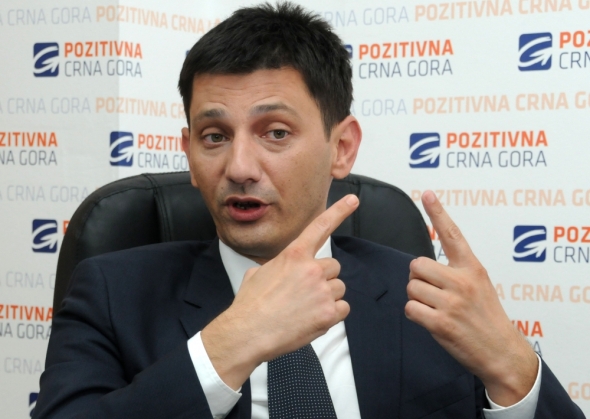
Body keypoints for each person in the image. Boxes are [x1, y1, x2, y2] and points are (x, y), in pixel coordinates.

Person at [34, 3, 584, 418]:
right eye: (214, 136)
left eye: (275, 132)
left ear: (341, 147)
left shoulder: (419, 298)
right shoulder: (112, 293)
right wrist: (231, 343)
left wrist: (514, 369)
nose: (239, 167)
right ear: (189, 153)